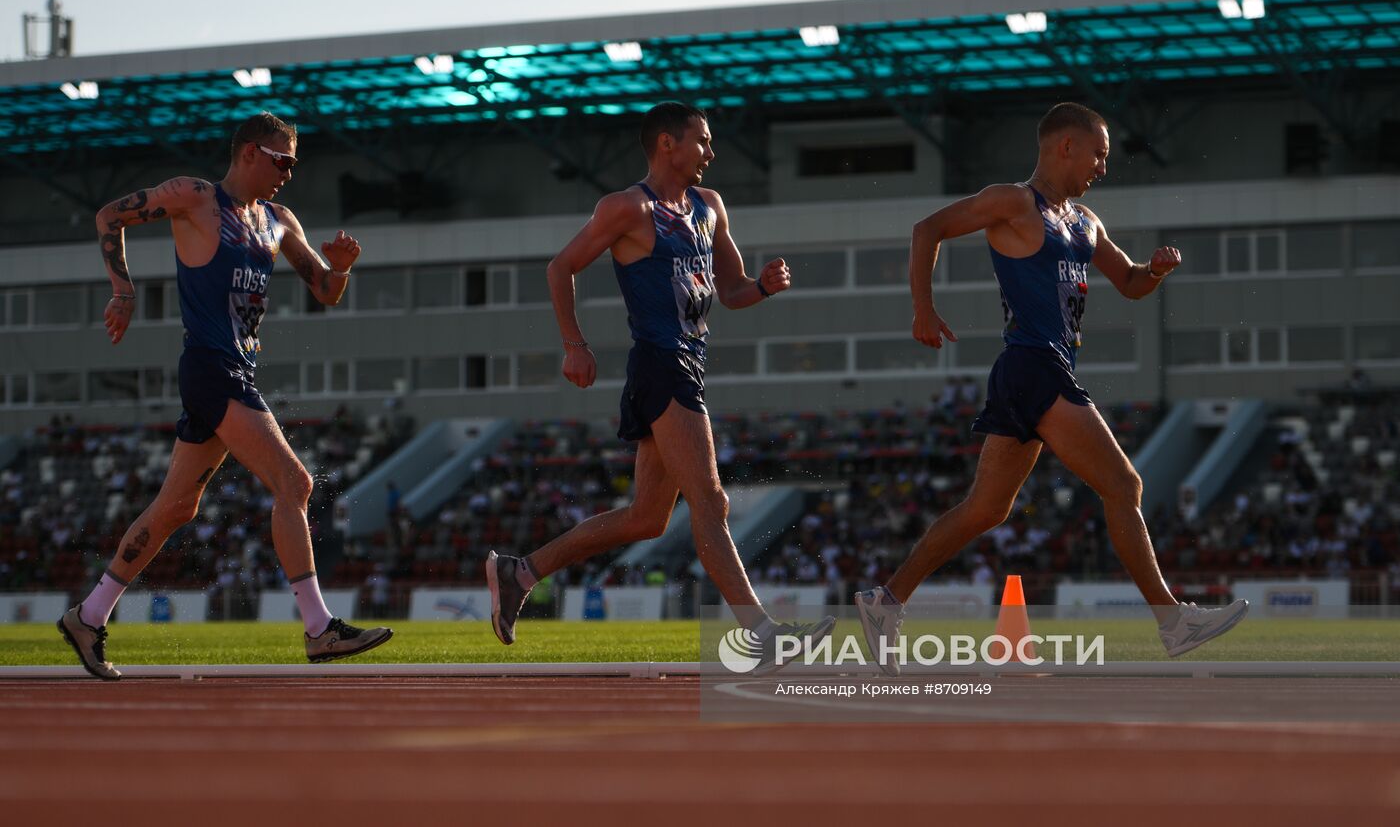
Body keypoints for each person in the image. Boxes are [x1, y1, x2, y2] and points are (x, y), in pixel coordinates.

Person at [854, 102, 1249, 675]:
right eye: (1099, 154)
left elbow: (1131, 283)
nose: (1103, 167)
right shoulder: (1014, 202)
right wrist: (923, 307)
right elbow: (928, 228)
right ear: (1066, 146)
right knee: (1123, 484)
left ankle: (884, 603)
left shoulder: (1086, 222)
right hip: (1033, 366)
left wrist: (1157, 270)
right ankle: (1173, 622)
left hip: (1037, 370)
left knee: (985, 510)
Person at [486, 102, 832, 664]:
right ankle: (762, 634)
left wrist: (764, 286)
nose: (712, 152)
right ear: (667, 144)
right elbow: (560, 267)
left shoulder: (710, 206)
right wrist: (574, 343)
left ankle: (519, 571)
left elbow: (734, 291)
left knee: (646, 519)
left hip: (691, 361)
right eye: (703, 140)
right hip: (660, 362)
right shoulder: (626, 207)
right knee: (711, 500)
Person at [57, 112, 392, 680]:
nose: (289, 172)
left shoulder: (279, 220)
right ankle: (319, 629)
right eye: (282, 160)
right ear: (249, 153)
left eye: (293, 162)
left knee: (177, 509)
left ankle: (88, 616)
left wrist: (342, 270)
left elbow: (326, 291)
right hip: (211, 368)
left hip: (236, 368)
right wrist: (124, 290)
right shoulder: (194, 197)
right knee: (295, 483)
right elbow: (108, 216)